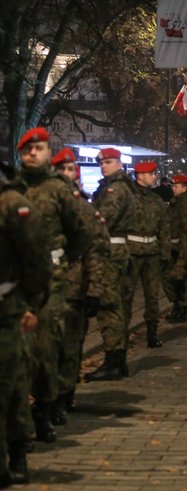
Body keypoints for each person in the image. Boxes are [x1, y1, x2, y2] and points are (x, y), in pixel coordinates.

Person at [18, 128, 94, 442]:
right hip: (16, 279)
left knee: (47, 346)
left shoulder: (60, 190)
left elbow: (83, 231)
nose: (32, 154)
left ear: (49, 151)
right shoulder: (13, 187)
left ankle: (44, 407)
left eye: (38, 148)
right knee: (18, 351)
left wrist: (61, 259)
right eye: (27, 150)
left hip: (51, 279)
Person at [0, 163, 51, 486]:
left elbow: (36, 256)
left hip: (8, 305)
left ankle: (17, 449)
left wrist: (32, 304)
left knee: (13, 381)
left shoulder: (13, 204)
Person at [51, 148, 108, 424]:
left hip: (74, 289)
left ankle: (64, 395)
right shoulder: (42, 205)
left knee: (71, 346)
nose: (69, 175)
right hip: (45, 289)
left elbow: (96, 251)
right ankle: (48, 399)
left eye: (72, 169)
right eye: (63, 170)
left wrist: (94, 290)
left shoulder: (84, 208)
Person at [86, 147, 137, 382]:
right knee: (115, 305)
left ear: (118, 163)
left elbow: (102, 220)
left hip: (110, 251)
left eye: (108, 162)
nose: (103, 165)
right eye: (101, 162)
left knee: (109, 307)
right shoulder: (118, 186)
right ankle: (118, 359)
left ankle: (113, 360)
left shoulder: (115, 189)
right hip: (116, 249)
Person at [128, 161, 170, 348]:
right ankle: (121, 335)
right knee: (126, 295)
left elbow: (164, 228)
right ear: (140, 175)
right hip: (131, 254)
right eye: (152, 173)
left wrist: (165, 255)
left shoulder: (156, 200)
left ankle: (152, 334)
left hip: (152, 254)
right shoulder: (127, 198)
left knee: (152, 297)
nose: (155, 177)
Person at [163, 174, 187, 324]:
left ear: (184, 188)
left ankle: (182, 310)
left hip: (182, 249)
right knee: (171, 280)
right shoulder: (175, 203)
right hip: (173, 248)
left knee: (181, 280)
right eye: (173, 186)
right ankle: (178, 307)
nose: (173, 188)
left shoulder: (186, 205)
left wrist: (184, 254)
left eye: (176, 186)